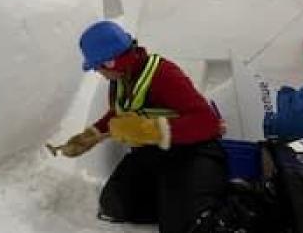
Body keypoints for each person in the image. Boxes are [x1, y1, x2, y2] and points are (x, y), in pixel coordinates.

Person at [59, 20, 228, 233]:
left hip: (192, 153)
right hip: (155, 154)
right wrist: (92, 134)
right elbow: (121, 112)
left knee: (185, 225)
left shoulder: (163, 75)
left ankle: (199, 205)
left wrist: (150, 131)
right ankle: (174, 202)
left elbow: (207, 122)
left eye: (98, 66)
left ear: (111, 62)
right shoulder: (122, 78)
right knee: (115, 204)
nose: (97, 72)